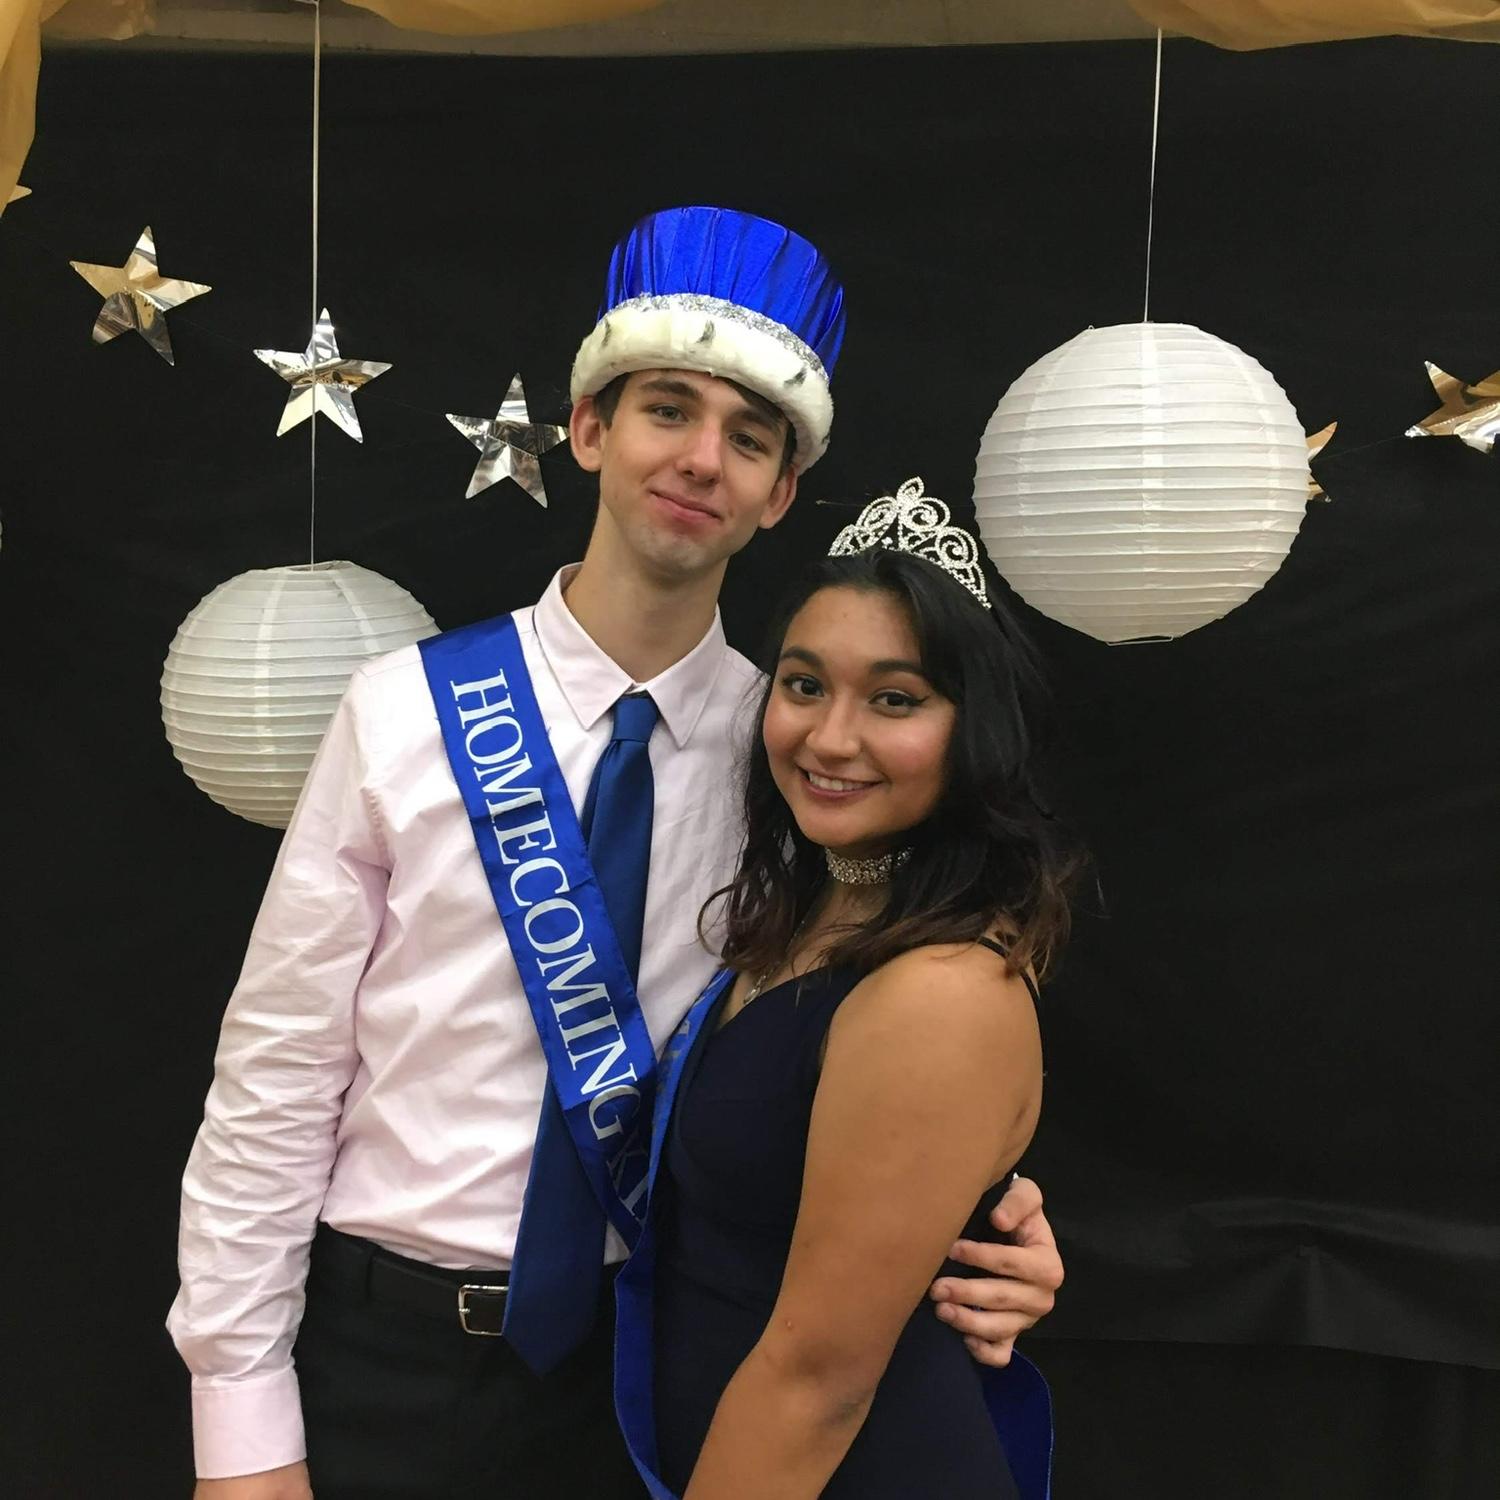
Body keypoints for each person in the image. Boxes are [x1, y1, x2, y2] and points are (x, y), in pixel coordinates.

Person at [168, 208, 1062, 1500]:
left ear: (781, 493)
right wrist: (240, 1429)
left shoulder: (800, 761)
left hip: (647, 1372)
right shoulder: (402, 711)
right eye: (667, 411)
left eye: (748, 437)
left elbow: (869, 1051)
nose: (701, 459)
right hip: (389, 1361)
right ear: (589, 428)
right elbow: (274, 1084)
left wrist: (987, 1221)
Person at [616, 479, 1078, 1499]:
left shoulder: (941, 993)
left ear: (973, 729)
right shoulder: (804, 912)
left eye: (895, 699)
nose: (829, 738)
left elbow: (819, 1381)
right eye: (804, 685)